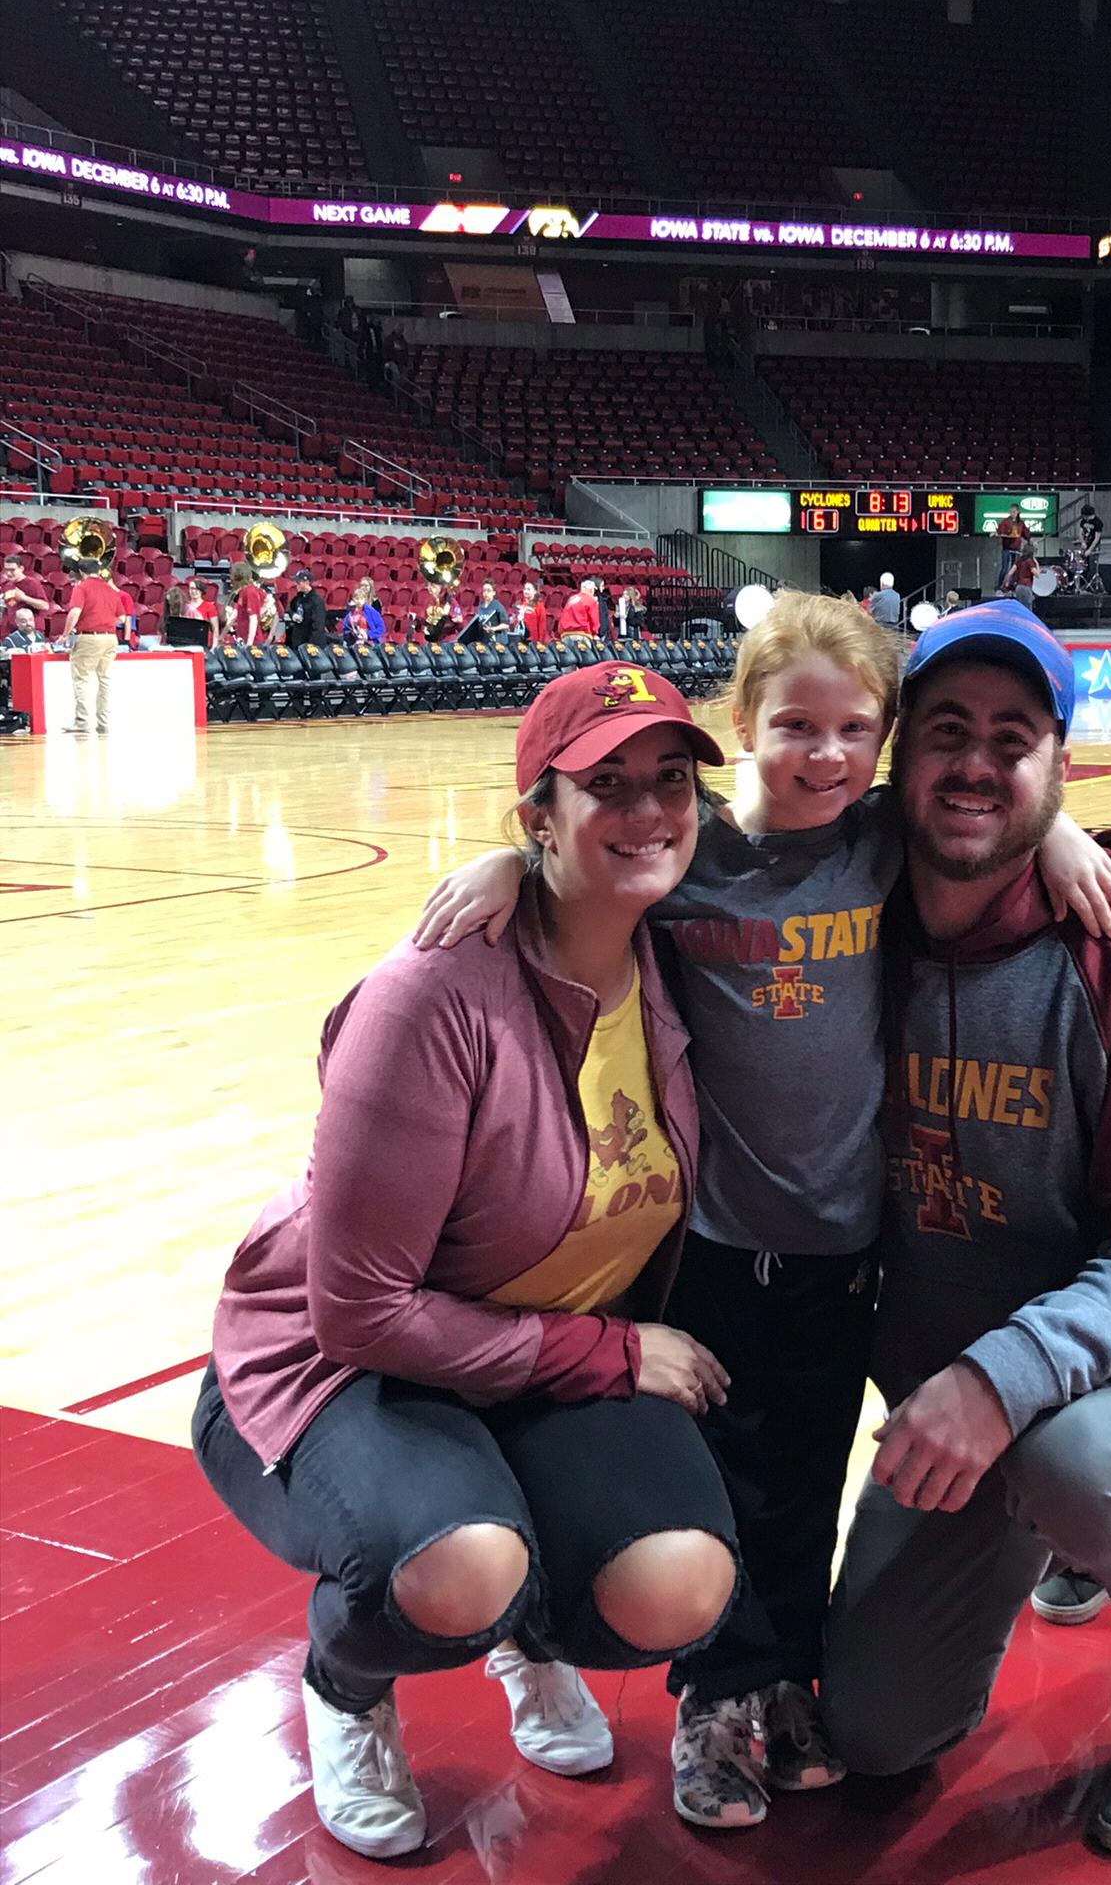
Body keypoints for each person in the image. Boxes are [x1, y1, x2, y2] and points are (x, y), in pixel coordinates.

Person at [413, 593, 1111, 1833]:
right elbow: (581, 869)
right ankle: (714, 1694)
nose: (827, 754)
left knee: (805, 1479)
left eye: (857, 729)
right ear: (743, 723)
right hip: (714, 1250)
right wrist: (503, 860)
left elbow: (1001, 833)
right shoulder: (691, 861)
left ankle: (784, 1684)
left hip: (847, 1249)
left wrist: (1071, 843)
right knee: (724, 1479)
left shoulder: (880, 844)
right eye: (796, 724)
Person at [191, 664, 740, 1862]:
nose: (649, 811)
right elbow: (359, 1310)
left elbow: (858, 833)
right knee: (457, 1563)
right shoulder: (434, 998)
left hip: (525, 1363)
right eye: (606, 786)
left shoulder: (674, 954)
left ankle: (526, 1637)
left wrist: (1060, 832)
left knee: (677, 1580)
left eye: (670, 783)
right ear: (538, 816)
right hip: (345, 1368)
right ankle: (346, 1683)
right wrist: (612, 1348)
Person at [818, 601, 1111, 1864]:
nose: (974, 762)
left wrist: (993, 1379)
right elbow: (688, 857)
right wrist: (513, 868)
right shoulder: (840, 929)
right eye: (946, 730)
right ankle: (1057, 1523)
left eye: (1012, 741)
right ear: (901, 754)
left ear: (1057, 766)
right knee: (874, 1731)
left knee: (1084, 1458)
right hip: (973, 1366)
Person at [59, 556, 125, 736]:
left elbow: (74, 612)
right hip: (110, 638)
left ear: (81, 571)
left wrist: (65, 634)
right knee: (104, 680)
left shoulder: (81, 588)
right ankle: (103, 721)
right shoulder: (111, 589)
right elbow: (122, 618)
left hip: (89, 638)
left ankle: (82, 721)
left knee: (82, 679)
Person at [2, 554, 51, 637]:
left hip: (31, 631)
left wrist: (24, 598)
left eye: (12, 570)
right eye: (7, 570)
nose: (9, 573)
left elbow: (45, 606)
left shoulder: (32, 583)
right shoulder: (7, 586)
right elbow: (11, 605)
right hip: (13, 631)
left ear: (21, 569)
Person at [227, 561, 271, 646]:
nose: (230, 579)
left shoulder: (250, 592)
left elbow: (253, 618)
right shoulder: (243, 592)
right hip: (243, 639)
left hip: (254, 642)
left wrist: (249, 644)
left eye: (232, 575)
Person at [285, 570, 329, 649]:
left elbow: (318, 626)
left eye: (299, 582)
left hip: (310, 642)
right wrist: (293, 615)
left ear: (306, 582)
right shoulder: (299, 597)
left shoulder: (316, 601)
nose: (296, 584)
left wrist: (311, 646)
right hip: (298, 640)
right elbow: (290, 608)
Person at [343, 577, 387, 646]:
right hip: (353, 642)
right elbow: (345, 627)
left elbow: (381, 627)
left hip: (369, 642)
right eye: (362, 585)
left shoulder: (372, 610)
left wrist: (368, 634)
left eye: (366, 586)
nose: (364, 588)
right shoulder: (350, 611)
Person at [996, 505, 1030, 587]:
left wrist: (1030, 540)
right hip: (1006, 548)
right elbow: (999, 531)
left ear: (1018, 512)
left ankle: (1011, 585)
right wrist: (997, 533)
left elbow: (1026, 533)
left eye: (1014, 512)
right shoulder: (1005, 521)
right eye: (1011, 512)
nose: (1012, 514)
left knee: (1014, 568)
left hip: (1016, 549)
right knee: (1004, 568)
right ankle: (1000, 585)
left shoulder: (1021, 523)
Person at [185, 579, 219, 644]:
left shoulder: (210, 606)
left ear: (201, 590)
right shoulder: (185, 606)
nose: (194, 591)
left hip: (204, 641)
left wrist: (214, 646)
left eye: (197, 589)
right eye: (191, 588)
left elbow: (215, 629)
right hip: (188, 640)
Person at [517, 580, 548, 644]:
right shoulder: (522, 604)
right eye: (525, 589)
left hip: (533, 640)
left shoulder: (539, 606)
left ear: (535, 592)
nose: (525, 591)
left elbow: (542, 625)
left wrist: (540, 641)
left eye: (528, 589)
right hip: (521, 637)